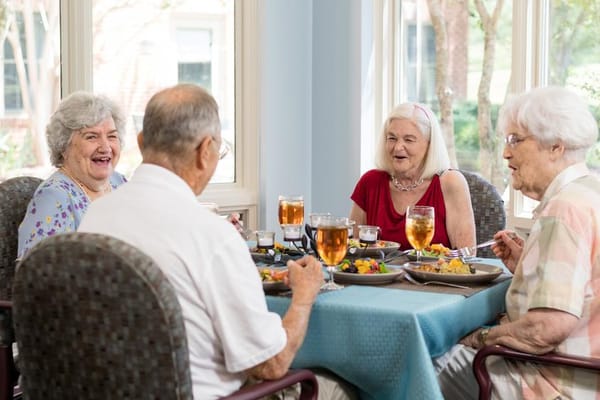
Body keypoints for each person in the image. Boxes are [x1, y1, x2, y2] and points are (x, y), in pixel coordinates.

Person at [78, 84, 356, 399]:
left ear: (141, 144)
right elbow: (271, 364)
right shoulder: (213, 236)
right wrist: (304, 296)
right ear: (205, 150)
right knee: (341, 387)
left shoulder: (94, 218)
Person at [434, 86, 600, 399]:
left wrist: (481, 337)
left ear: (555, 147)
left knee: (422, 364)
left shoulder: (563, 210)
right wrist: (529, 262)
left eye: (516, 140)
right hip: (587, 376)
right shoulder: (590, 192)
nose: (506, 153)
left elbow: (546, 328)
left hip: (552, 382)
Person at [349, 102, 475, 250]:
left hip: (434, 272)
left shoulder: (451, 183)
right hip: (376, 273)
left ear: (429, 145)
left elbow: (467, 256)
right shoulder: (370, 182)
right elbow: (352, 249)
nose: (398, 147)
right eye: (392, 138)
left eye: (409, 139)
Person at [17, 91, 127, 259]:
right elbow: (33, 273)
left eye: (112, 136)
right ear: (64, 146)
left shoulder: (118, 181)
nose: (105, 147)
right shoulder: (54, 198)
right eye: (92, 137)